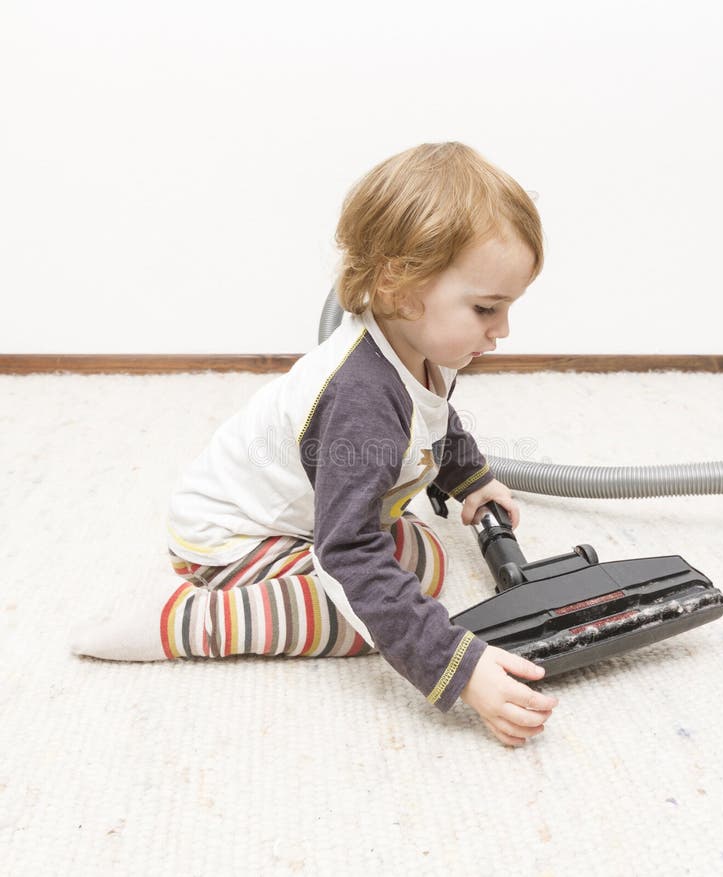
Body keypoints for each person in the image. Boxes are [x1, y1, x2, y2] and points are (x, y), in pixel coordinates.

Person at [72, 141, 558, 747]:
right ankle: (183, 622)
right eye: (487, 308)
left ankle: (303, 585)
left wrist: (470, 478)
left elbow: (436, 417)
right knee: (362, 614)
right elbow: (348, 554)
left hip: (310, 522)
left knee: (422, 563)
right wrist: (458, 668)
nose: (503, 330)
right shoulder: (360, 398)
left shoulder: (424, 345)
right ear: (401, 289)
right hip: (230, 539)